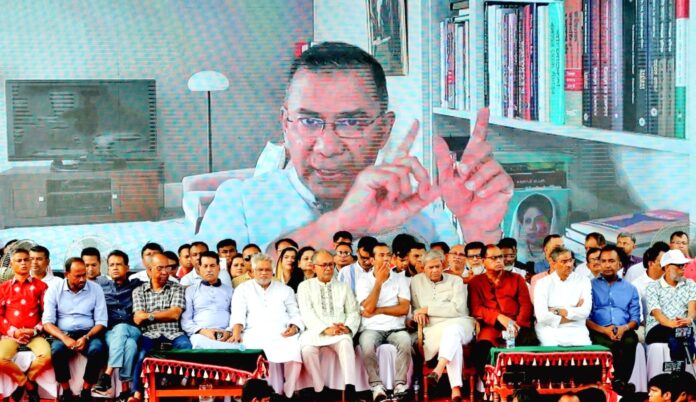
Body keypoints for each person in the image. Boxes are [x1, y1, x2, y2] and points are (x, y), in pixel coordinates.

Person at [197, 42, 513, 253]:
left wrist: (479, 231)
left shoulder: (422, 211)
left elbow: (461, 300)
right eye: (309, 121)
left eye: (351, 123)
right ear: (285, 125)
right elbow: (212, 304)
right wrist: (338, 225)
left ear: (384, 130)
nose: (328, 147)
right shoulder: (238, 203)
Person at [229, 253, 303, 398]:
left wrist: (294, 327)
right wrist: (236, 333)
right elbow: (238, 314)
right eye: (260, 270)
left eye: (267, 269)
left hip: (281, 333)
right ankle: (259, 395)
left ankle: (288, 394)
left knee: (295, 351)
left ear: (273, 271)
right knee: (253, 352)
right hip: (253, 332)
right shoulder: (242, 289)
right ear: (252, 271)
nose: (264, 273)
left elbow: (295, 313)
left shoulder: (285, 289)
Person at [410, 250, 475, 402]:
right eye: (430, 267)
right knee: (453, 340)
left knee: (453, 331)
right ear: (423, 268)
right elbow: (416, 308)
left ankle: (438, 370)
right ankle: (455, 389)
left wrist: (427, 309)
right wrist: (418, 313)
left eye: (437, 266)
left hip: (460, 322)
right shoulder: (416, 281)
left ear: (443, 265)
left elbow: (458, 309)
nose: (435, 270)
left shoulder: (455, 281)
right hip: (434, 328)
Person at [42, 257, 108, 402]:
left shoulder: (95, 289)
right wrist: (64, 338)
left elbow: (102, 321)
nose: (83, 279)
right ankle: (66, 391)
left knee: (97, 350)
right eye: (78, 276)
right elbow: (47, 322)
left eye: (84, 274)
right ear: (66, 274)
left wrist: (87, 337)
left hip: (88, 332)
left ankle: (86, 390)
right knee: (57, 351)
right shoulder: (54, 289)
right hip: (63, 333)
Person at [297, 250, 360, 399]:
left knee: (346, 343)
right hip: (315, 331)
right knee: (307, 350)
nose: (328, 268)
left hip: (339, 331)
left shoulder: (343, 286)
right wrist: (325, 329)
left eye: (331, 265)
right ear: (314, 267)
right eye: (324, 265)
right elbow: (307, 312)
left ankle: (350, 387)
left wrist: (347, 327)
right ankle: (319, 389)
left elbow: (353, 311)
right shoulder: (304, 286)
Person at [130, 253, 192, 402]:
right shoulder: (139, 291)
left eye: (167, 267)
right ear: (150, 269)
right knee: (142, 355)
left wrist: (149, 316)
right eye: (160, 268)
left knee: (186, 349)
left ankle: (180, 391)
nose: (165, 272)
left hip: (174, 333)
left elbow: (175, 314)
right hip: (150, 334)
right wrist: (162, 314)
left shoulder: (177, 288)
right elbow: (138, 318)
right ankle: (136, 394)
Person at [469, 245, 536, 375]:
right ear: (483, 261)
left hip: (518, 325)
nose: (499, 261)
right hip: (492, 327)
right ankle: (491, 384)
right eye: (493, 258)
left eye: (500, 257)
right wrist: (499, 317)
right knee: (480, 351)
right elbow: (476, 309)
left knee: (528, 348)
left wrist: (517, 325)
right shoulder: (476, 282)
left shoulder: (517, 278)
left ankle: (520, 386)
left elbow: (526, 305)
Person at [356, 242, 411, 401]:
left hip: (396, 328)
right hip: (371, 328)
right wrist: (379, 282)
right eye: (381, 255)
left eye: (388, 255)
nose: (386, 258)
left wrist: (378, 310)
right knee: (367, 345)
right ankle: (376, 386)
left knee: (405, 342)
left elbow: (403, 309)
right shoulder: (363, 280)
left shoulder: (399, 279)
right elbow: (368, 306)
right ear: (372, 260)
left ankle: (400, 385)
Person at [586, 245, 641, 391]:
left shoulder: (630, 288)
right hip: (598, 330)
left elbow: (635, 319)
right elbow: (585, 318)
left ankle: (622, 382)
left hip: (624, 329)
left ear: (619, 264)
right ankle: (609, 383)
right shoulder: (589, 286)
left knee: (630, 340)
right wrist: (604, 330)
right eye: (603, 261)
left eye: (611, 261)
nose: (607, 265)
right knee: (607, 344)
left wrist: (624, 328)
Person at [0, 248, 50, 402]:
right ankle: (27, 384)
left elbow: (47, 314)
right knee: (0, 358)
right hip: (11, 336)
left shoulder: (41, 286)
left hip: (34, 335)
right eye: (19, 260)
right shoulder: (3, 288)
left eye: (26, 260)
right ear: (11, 264)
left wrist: (34, 331)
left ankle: (26, 380)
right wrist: (13, 332)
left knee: (47, 356)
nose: (23, 263)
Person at [92, 250, 143, 401]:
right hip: (110, 331)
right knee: (130, 345)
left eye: (119, 264)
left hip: (133, 328)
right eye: (111, 265)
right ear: (107, 268)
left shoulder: (137, 285)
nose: (115, 268)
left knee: (123, 328)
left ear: (127, 267)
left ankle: (107, 375)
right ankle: (125, 391)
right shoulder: (100, 285)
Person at [534, 246, 592, 346]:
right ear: (553, 263)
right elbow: (542, 316)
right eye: (564, 262)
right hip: (549, 330)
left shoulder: (583, 281)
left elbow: (585, 311)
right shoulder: (542, 283)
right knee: (550, 350)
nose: (569, 265)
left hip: (577, 330)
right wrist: (574, 312)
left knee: (585, 350)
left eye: (570, 260)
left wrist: (558, 311)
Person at [645, 249, 696, 361]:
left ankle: (678, 368)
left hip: (683, 325)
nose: (683, 268)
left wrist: (688, 319)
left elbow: (692, 310)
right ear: (667, 267)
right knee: (677, 335)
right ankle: (683, 365)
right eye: (679, 265)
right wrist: (671, 324)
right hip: (658, 326)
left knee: (680, 334)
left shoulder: (690, 284)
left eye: (684, 265)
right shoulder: (652, 287)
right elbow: (657, 313)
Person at [181, 251, 237, 349]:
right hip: (201, 335)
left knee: (241, 341)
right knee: (198, 342)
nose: (209, 270)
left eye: (212, 266)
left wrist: (228, 332)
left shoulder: (230, 291)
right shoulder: (191, 291)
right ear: (199, 268)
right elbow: (186, 321)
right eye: (205, 266)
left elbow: (236, 315)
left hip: (226, 334)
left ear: (219, 268)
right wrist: (203, 331)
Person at [513, 194, 555, 264]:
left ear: (551, 223)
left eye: (539, 220)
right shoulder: (516, 256)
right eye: (528, 221)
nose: (532, 227)